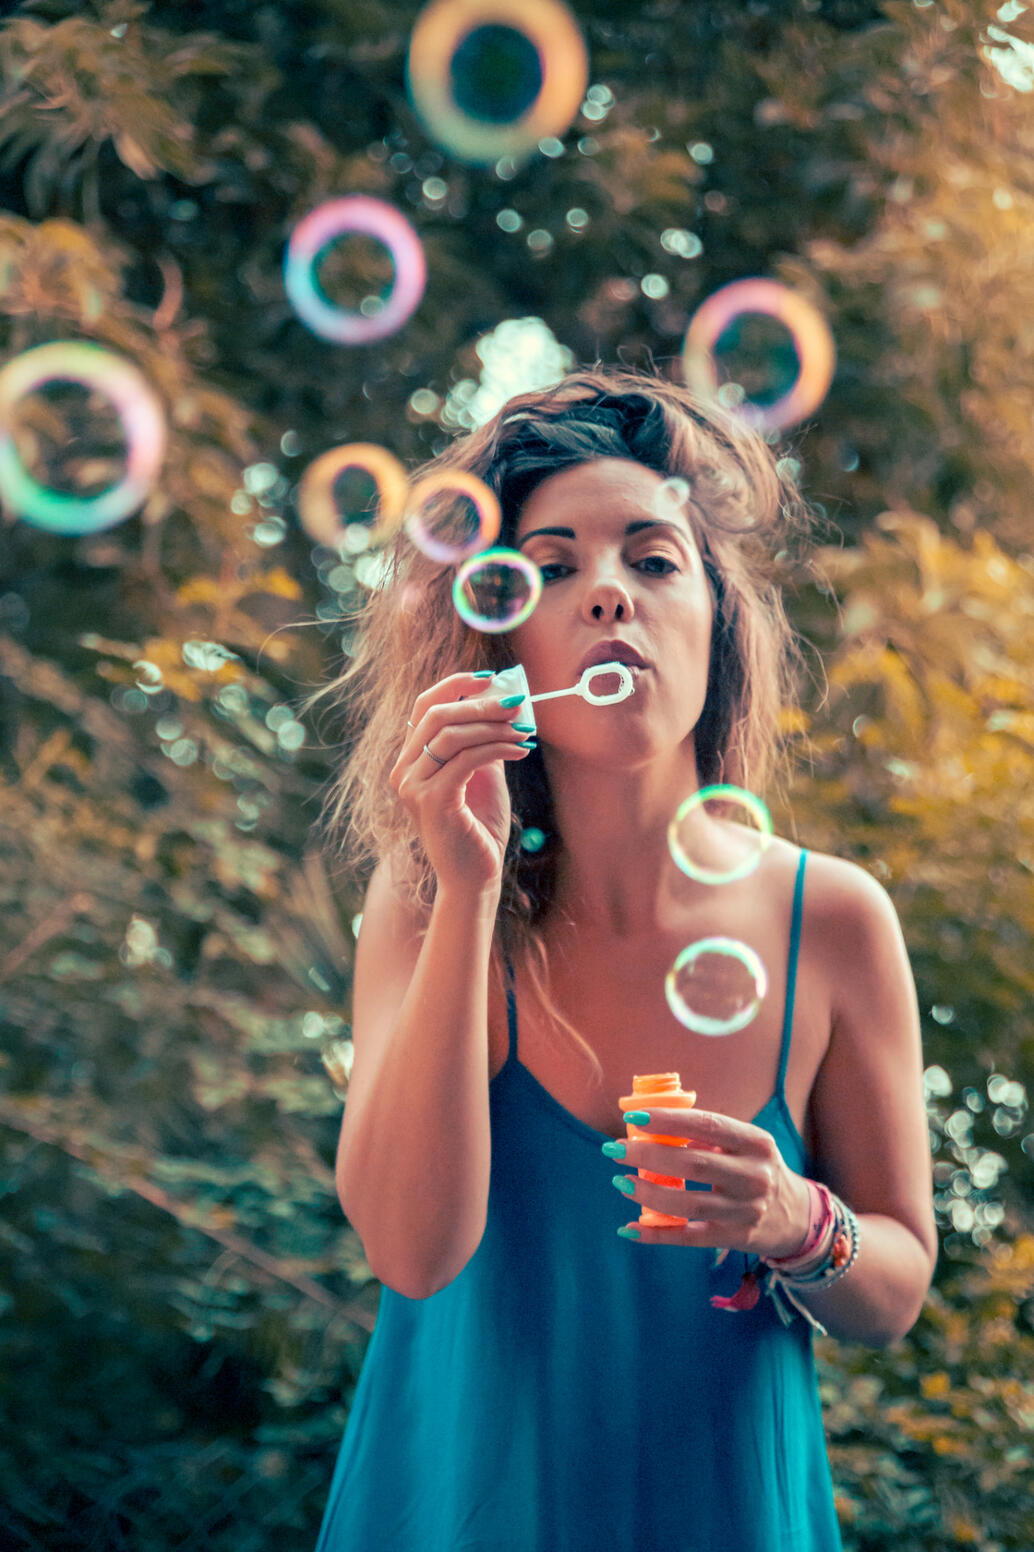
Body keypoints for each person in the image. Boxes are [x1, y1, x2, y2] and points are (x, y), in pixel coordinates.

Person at [308, 368, 937, 1552]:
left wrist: (796, 1219)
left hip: (723, 1515)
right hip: (458, 1514)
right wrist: (469, 888)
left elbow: (893, 1285)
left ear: (716, 619)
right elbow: (408, 1249)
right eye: (550, 569)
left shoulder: (832, 918)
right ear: (502, 638)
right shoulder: (427, 897)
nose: (607, 593)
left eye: (652, 560)